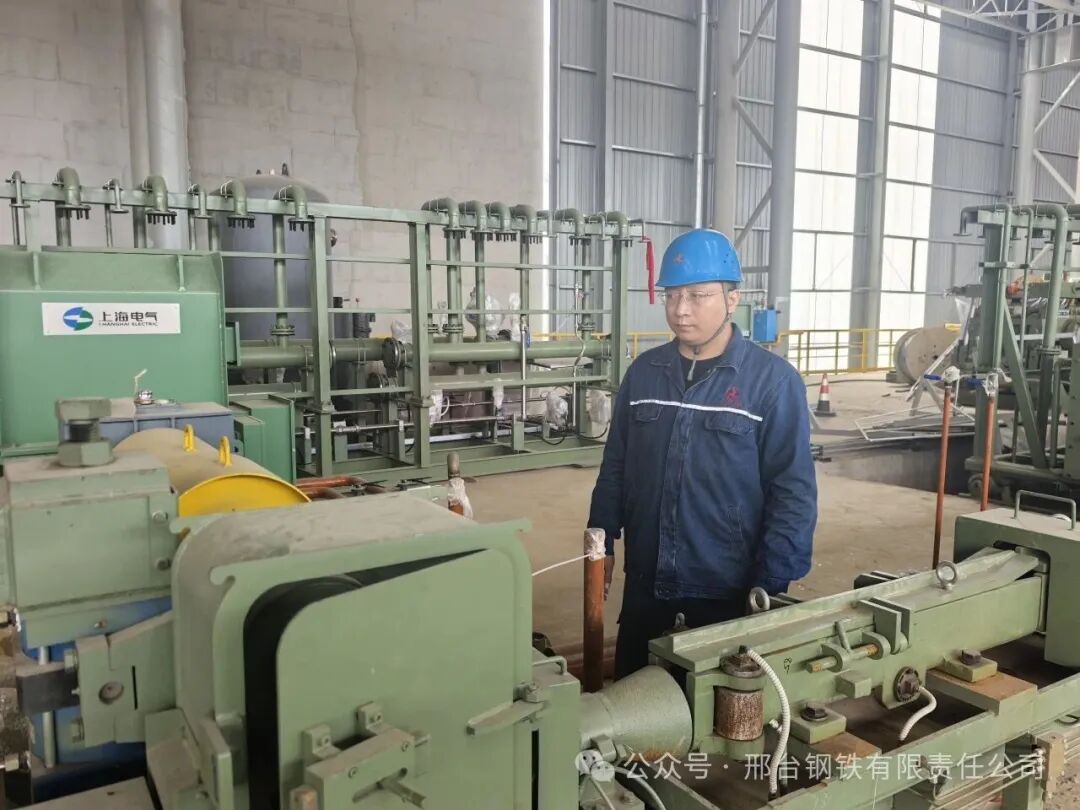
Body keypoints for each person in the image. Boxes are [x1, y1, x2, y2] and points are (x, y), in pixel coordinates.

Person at [587, 228, 817, 678]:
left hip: (724, 595)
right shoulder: (644, 374)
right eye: (672, 296)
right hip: (646, 588)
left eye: (698, 295)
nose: (681, 309)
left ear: (733, 299)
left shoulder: (772, 383)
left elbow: (793, 493)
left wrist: (769, 587)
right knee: (633, 705)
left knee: (714, 714)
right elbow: (616, 465)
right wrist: (601, 540)